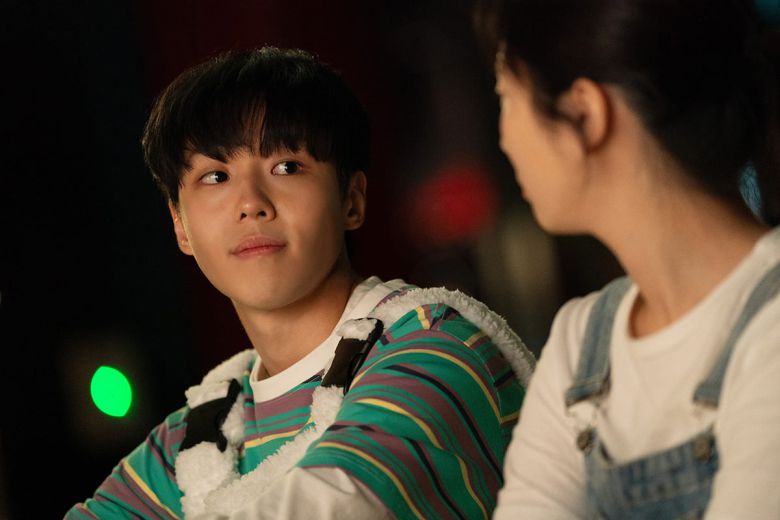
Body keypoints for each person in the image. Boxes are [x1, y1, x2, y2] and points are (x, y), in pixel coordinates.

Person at [66, 47, 534, 520]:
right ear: (180, 226)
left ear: (352, 200)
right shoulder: (197, 440)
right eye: (216, 176)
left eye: (286, 167)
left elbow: (334, 504)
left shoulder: (433, 344)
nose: (251, 203)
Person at [476, 0, 780, 518]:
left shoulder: (770, 328)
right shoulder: (580, 342)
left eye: (506, 98)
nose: (503, 138)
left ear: (585, 113)